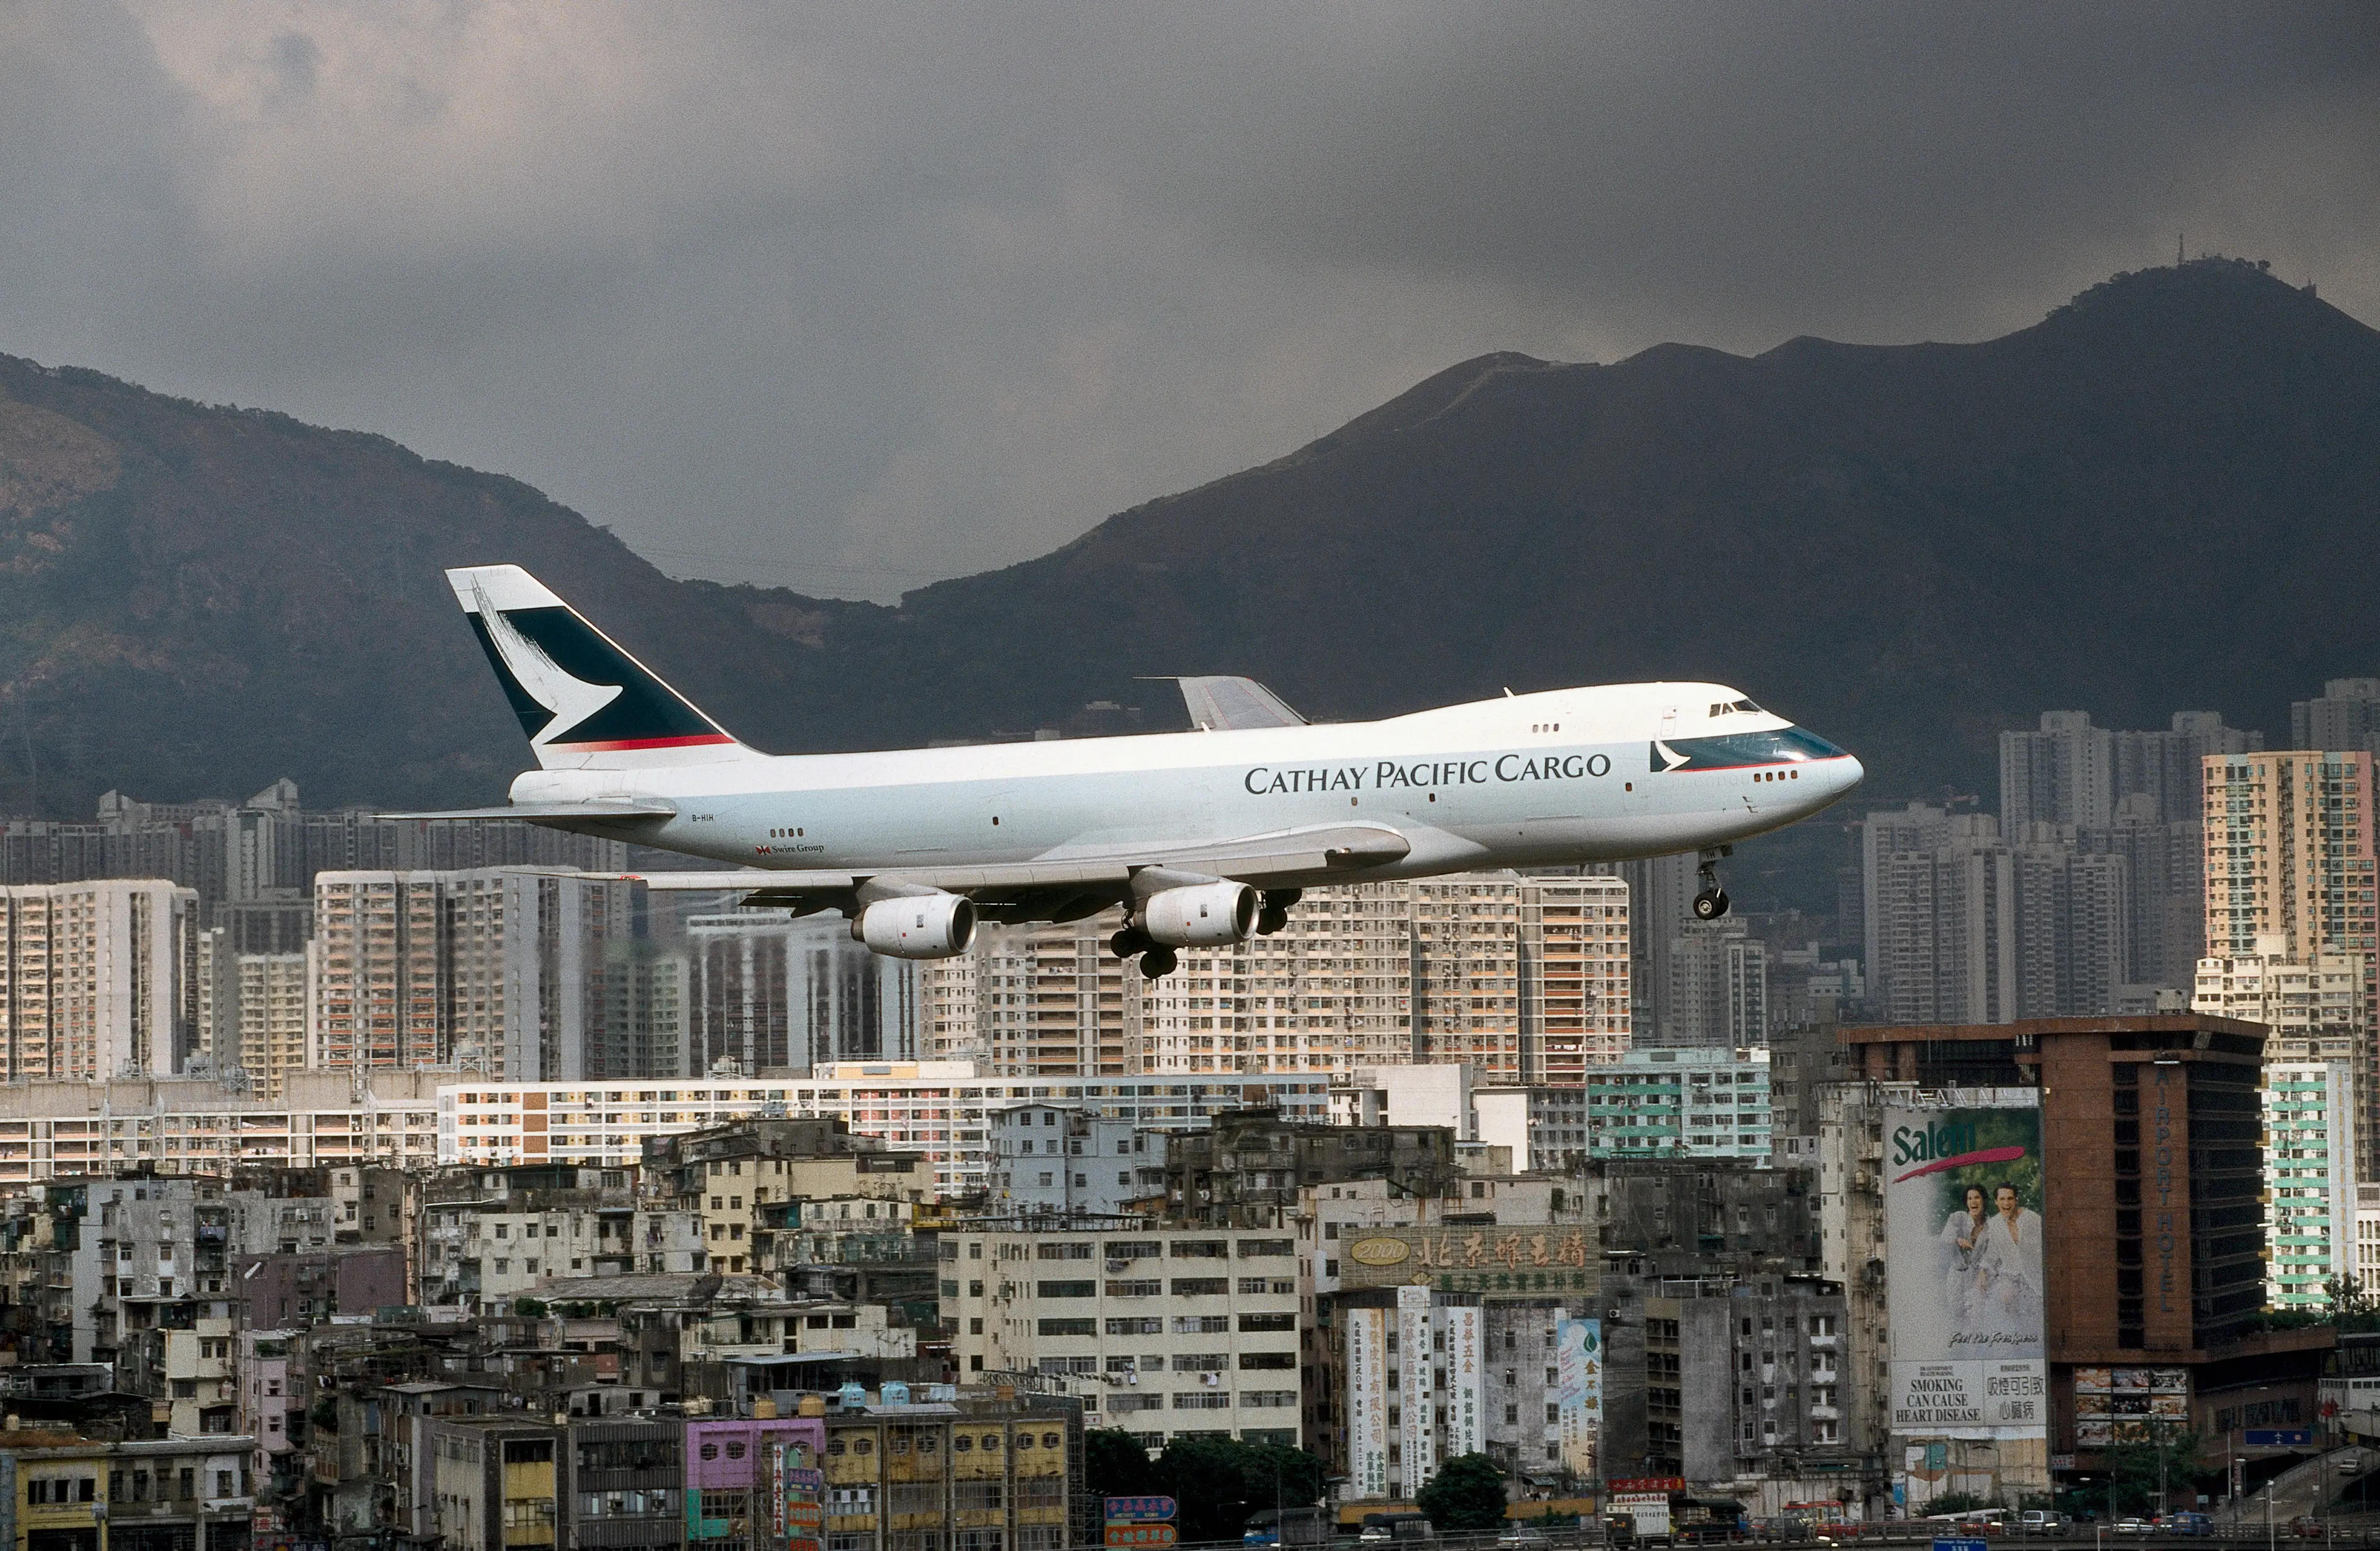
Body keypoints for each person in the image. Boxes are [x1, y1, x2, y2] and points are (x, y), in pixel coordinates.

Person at [1974, 1182, 2043, 1339]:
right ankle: (2016, 1332)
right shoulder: (1994, 1224)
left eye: (2010, 1199)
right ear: (1996, 1202)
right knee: (2006, 1295)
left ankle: (2032, 1336)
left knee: (2037, 1316)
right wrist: (1983, 1272)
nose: (2006, 1203)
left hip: (2034, 1275)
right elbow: (1991, 1255)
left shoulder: (2032, 1219)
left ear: (2016, 1200)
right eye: (2002, 1199)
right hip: (2010, 1274)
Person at [1938, 1185, 1989, 1325]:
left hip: (1978, 1276)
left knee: (1977, 1316)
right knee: (1957, 1315)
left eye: (1977, 1198)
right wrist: (1958, 1240)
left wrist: (1984, 1271)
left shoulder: (1990, 1226)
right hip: (1957, 1274)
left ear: (1984, 1200)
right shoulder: (1958, 1217)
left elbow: (1991, 1254)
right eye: (1970, 1199)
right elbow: (1945, 1237)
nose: (1973, 1202)